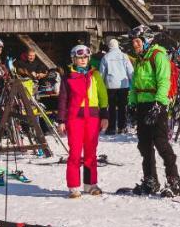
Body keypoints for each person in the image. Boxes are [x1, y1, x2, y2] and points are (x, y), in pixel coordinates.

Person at [127, 26, 180, 196]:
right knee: (144, 145)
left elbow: (164, 81)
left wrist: (158, 104)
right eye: (133, 42)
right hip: (142, 106)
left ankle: (174, 182)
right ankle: (151, 181)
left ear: (146, 40)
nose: (135, 45)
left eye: (137, 41)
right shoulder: (139, 59)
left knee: (161, 144)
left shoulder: (158, 56)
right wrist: (132, 103)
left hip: (157, 105)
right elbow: (134, 84)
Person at [57, 44, 109, 198]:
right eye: (79, 57)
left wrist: (105, 116)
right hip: (75, 118)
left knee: (91, 152)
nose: (83, 60)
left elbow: (103, 96)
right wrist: (61, 120)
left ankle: (90, 184)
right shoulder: (68, 78)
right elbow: (63, 100)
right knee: (75, 152)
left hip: (92, 118)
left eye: (85, 57)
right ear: (74, 59)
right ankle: (73, 186)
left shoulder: (95, 75)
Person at [99, 37, 134, 135]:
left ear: (109, 46)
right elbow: (130, 70)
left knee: (111, 107)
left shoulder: (106, 57)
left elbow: (102, 73)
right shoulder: (124, 56)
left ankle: (111, 128)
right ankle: (122, 127)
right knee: (122, 106)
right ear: (118, 45)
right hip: (123, 85)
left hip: (110, 85)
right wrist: (134, 82)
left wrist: (100, 85)